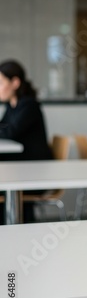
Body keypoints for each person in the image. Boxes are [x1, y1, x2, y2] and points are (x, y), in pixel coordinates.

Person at [0, 60, 53, 223]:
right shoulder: (12, 106)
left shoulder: (29, 105)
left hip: (34, 173)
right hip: (20, 169)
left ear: (15, 82)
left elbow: (10, 132)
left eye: (1, 83)